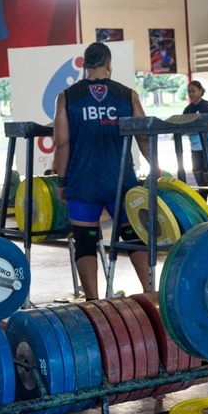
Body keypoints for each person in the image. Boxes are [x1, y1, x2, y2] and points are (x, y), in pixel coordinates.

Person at [52, 42, 153, 300]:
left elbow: (62, 144)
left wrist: (62, 181)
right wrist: (156, 165)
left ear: (85, 65)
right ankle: (150, 293)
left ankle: (93, 301)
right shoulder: (127, 95)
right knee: (133, 237)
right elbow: (143, 135)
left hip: (82, 181)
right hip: (120, 181)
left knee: (85, 242)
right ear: (109, 64)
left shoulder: (67, 97)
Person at [182, 80, 208, 188]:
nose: (191, 94)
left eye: (193, 91)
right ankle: (203, 202)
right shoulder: (187, 110)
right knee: (198, 176)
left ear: (201, 90)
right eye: (189, 92)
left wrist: (192, 130)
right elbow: (183, 129)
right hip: (195, 148)